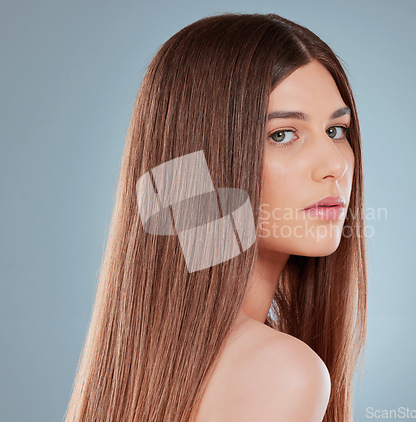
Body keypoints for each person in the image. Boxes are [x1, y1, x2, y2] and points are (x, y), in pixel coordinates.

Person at [64, 12, 367, 422]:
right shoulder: (282, 372)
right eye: (282, 134)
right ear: (205, 161)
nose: (334, 164)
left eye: (337, 130)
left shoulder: (141, 366)